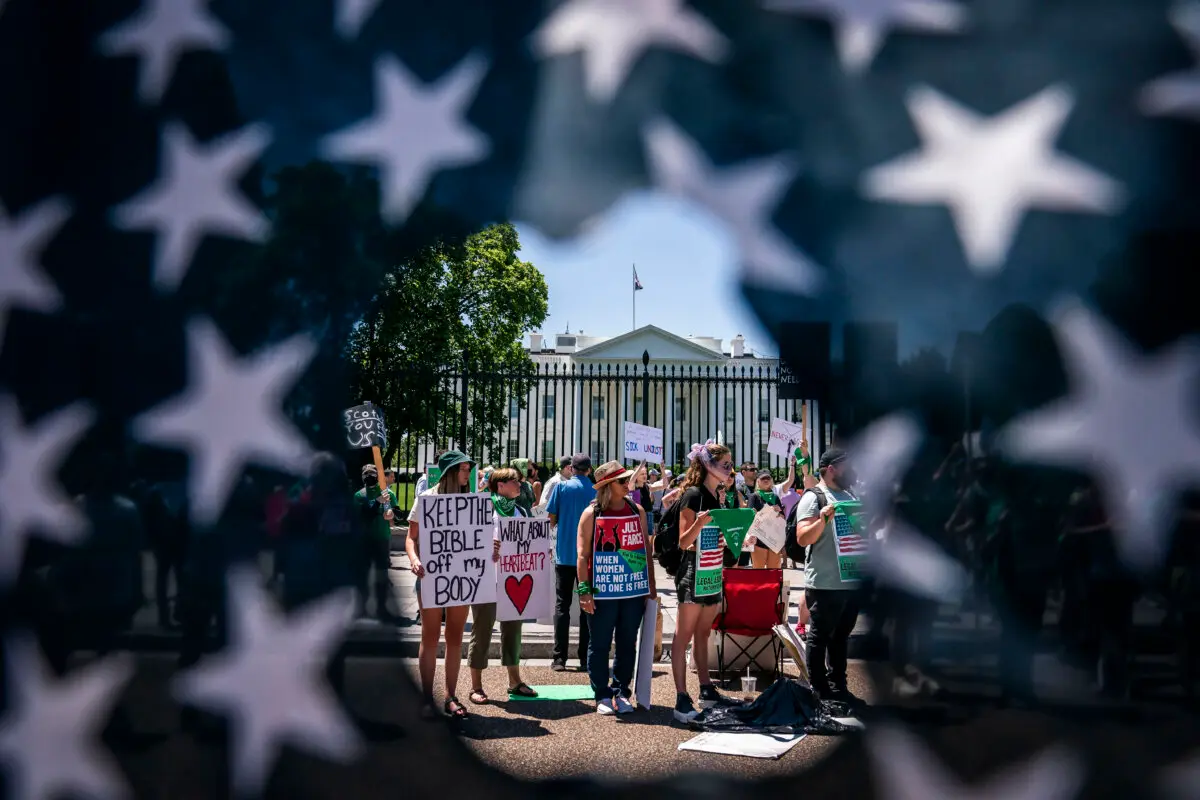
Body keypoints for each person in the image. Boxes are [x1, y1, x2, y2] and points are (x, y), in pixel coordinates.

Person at [576, 461, 656, 715]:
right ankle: (601, 693)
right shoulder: (591, 514)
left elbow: (645, 550)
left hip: (632, 591)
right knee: (599, 643)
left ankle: (622, 691)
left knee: (626, 642)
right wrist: (584, 591)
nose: (628, 485)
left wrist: (650, 587)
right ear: (608, 486)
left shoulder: (637, 510)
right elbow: (582, 556)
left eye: (628, 480)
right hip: (602, 591)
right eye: (622, 482)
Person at [406, 449, 477, 720]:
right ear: (450, 472)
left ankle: (450, 696)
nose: (468, 474)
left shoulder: (471, 502)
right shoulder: (426, 499)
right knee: (430, 636)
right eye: (463, 470)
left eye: (469, 470)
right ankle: (426, 698)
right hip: (430, 576)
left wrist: (490, 549)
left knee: (455, 637)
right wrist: (414, 559)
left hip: (461, 577)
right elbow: (411, 538)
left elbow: (478, 542)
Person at [671, 441, 735, 722]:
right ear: (709, 465)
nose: (730, 470)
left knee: (703, 633)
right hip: (692, 572)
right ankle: (681, 698)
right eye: (726, 465)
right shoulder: (694, 495)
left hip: (712, 571)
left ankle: (706, 689)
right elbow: (683, 542)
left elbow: (717, 537)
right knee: (683, 635)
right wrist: (699, 524)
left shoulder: (718, 494)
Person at [793, 448, 863, 704]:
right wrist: (822, 520)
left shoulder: (849, 494)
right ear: (832, 468)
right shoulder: (814, 497)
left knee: (841, 636)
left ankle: (839, 688)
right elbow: (802, 538)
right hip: (824, 581)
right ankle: (820, 691)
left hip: (850, 579)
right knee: (820, 636)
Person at [466, 467, 538, 703]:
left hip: (512, 582)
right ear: (500, 486)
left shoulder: (520, 512)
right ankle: (476, 686)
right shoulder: (484, 511)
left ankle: (514, 681)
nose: (520, 485)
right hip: (487, 580)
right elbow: (469, 542)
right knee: (482, 631)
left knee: (513, 631)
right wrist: (488, 547)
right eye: (515, 481)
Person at [546, 453, 595, 671]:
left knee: (562, 606)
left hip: (565, 555)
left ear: (571, 468)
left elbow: (551, 518)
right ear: (589, 470)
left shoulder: (562, 488)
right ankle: (585, 657)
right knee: (588, 605)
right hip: (588, 559)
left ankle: (559, 658)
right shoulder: (596, 490)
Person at [354, 464, 399, 622]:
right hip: (364, 540)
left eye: (372, 474)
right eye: (367, 474)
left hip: (382, 538)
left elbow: (397, 513)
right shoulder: (359, 495)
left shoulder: (388, 493)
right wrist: (377, 502)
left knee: (382, 574)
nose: (369, 477)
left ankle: (382, 607)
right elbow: (361, 515)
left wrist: (391, 513)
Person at [747, 469, 787, 569]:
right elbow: (750, 517)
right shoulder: (754, 497)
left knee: (773, 571)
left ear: (771, 480)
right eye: (763, 478)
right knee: (758, 571)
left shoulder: (775, 497)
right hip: (759, 539)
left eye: (768, 478)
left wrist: (779, 513)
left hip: (774, 540)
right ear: (758, 481)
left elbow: (782, 518)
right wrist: (766, 512)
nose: (766, 480)